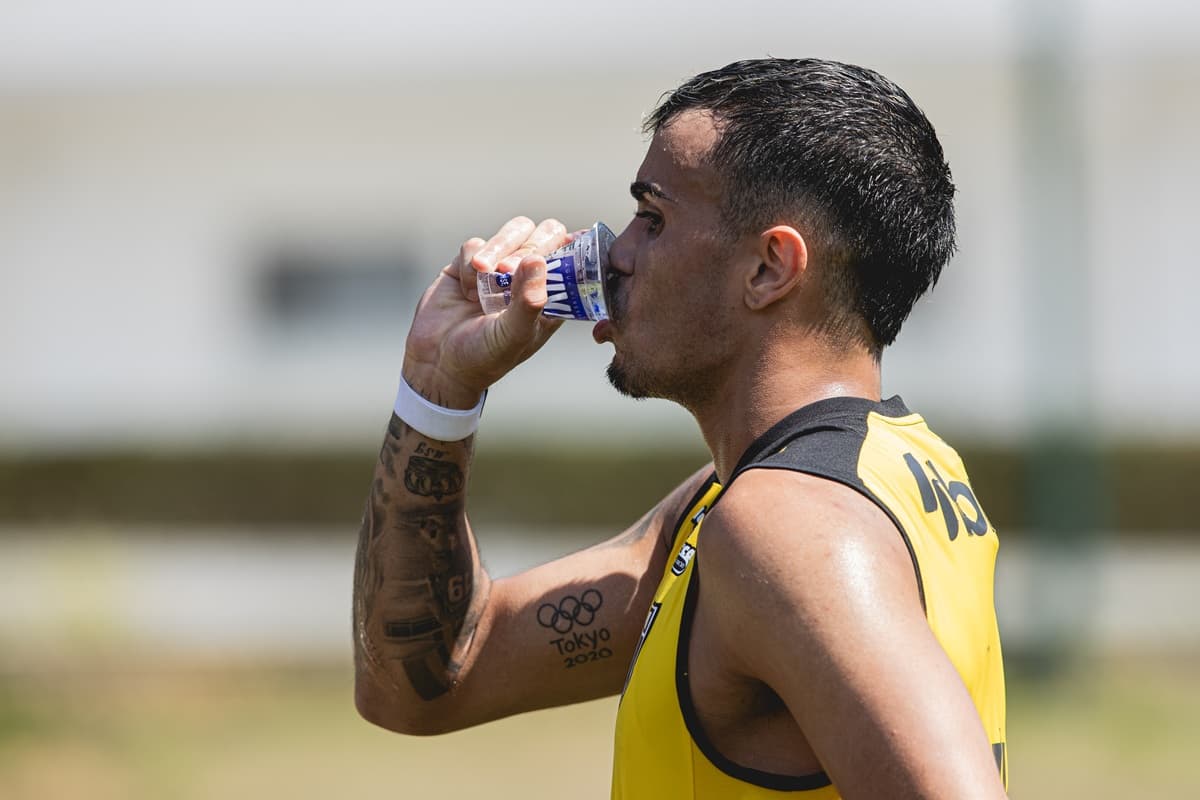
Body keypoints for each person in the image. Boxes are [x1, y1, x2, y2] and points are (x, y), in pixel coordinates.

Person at [352, 58, 1008, 799]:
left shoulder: (786, 528)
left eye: (653, 218)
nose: (616, 254)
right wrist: (439, 391)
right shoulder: (866, 474)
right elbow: (430, 679)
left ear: (769, 268)